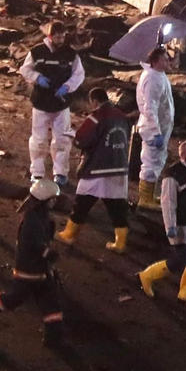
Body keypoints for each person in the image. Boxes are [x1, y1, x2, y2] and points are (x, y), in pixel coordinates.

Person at [0, 179, 66, 346]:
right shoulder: (32, 221)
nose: (55, 201)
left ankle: (54, 338)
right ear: (45, 200)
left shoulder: (41, 217)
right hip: (29, 271)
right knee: (15, 298)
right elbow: (33, 244)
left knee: (51, 302)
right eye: (53, 198)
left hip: (39, 270)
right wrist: (48, 254)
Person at [55, 86, 134, 253]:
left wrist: (72, 136)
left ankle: (69, 234)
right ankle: (121, 242)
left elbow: (82, 140)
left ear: (94, 101)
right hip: (119, 167)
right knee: (116, 206)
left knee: (82, 202)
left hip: (97, 167)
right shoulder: (121, 116)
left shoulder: (96, 118)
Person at [138, 140, 186, 305]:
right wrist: (170, 227)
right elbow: (168, 204)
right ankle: (146, 276)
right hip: (182, 224)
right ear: (182, 154)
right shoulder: (172, 175)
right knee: (180, 260)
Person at [17, 20, 84, 185]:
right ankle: (37, 173)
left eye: (63, 37)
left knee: (62, 140)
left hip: (61, 105)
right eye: (57, 37)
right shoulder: (37, 52)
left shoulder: (70, 55)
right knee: (39, 140)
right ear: (50, 36)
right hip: (41, 102)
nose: (60, 40)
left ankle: (60, 173)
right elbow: (25, 69)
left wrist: (67, 87)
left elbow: (79, 74)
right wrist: (37, 78)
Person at [135, 47, 174, 210]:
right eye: (165, 59)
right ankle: (145, 198)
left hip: (160, 126)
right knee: (151, 162)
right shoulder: (152, 80)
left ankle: (149, 195)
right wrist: (157, 132)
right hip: (153, 129)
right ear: (156, 61)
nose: (168, 61)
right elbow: (150, 109)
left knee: (157, 160)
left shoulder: (158, 75)